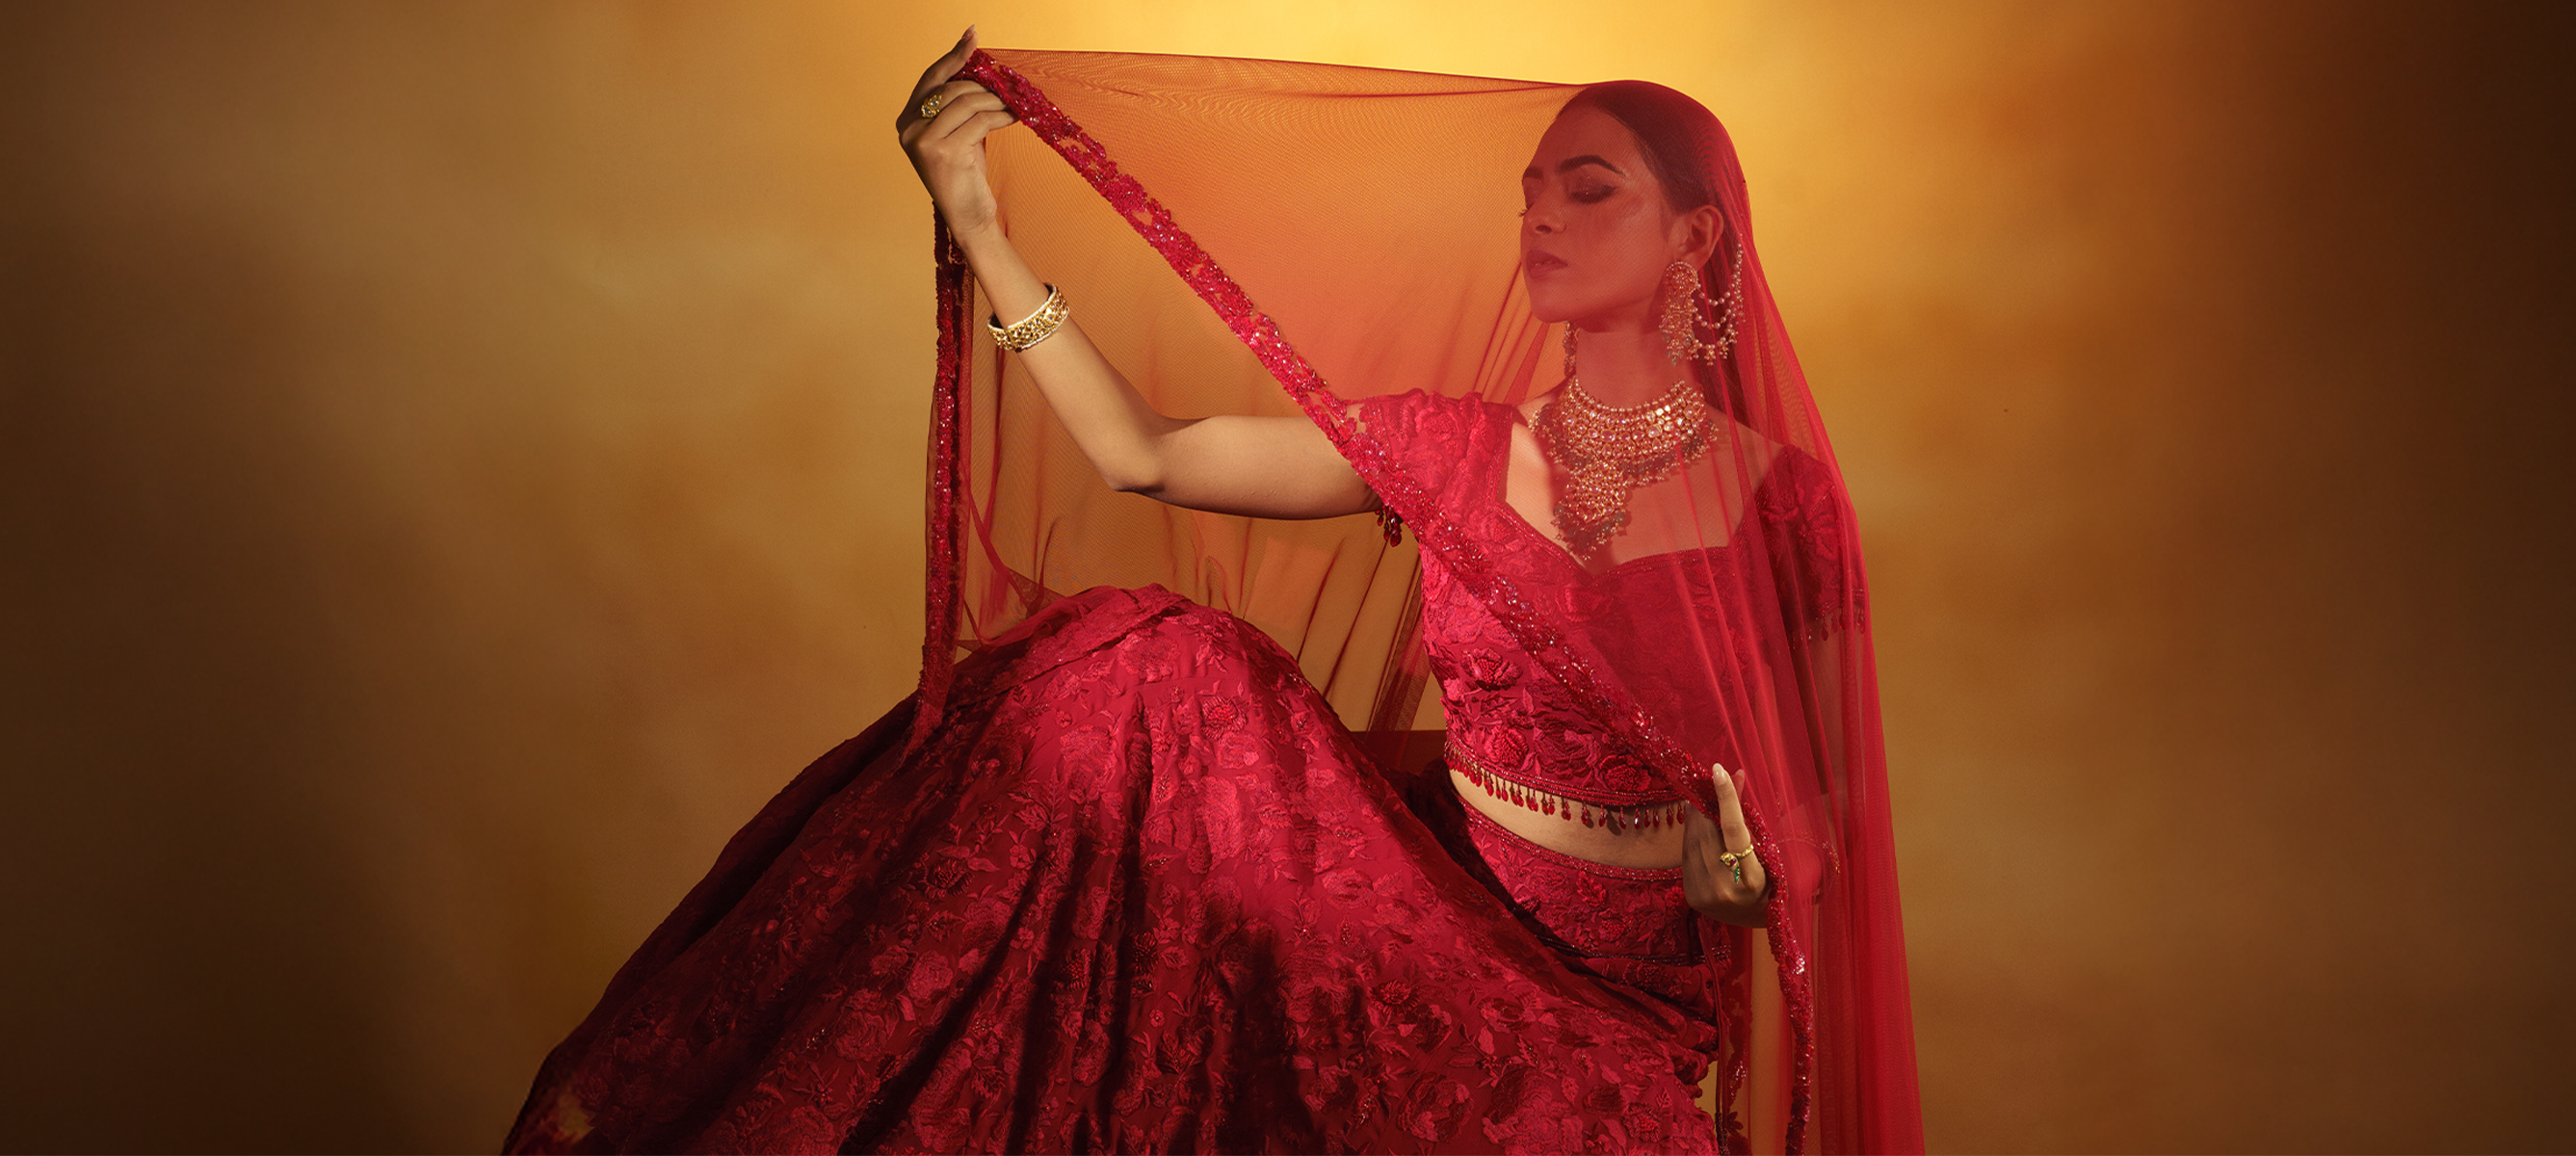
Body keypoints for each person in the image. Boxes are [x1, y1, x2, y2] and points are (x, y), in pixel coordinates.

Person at [504, 33, 1919, 1156]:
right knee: (1148, 663)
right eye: (1530, 193)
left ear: (1698, 238)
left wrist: (1756, 890)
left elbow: (1825, 820)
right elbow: (1149, 457)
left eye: (1589, 189)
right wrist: (981, 224)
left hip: (1626, 995)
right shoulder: (1447, 451)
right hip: (1435, 923)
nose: (1541, 217)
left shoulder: (1781, 506)